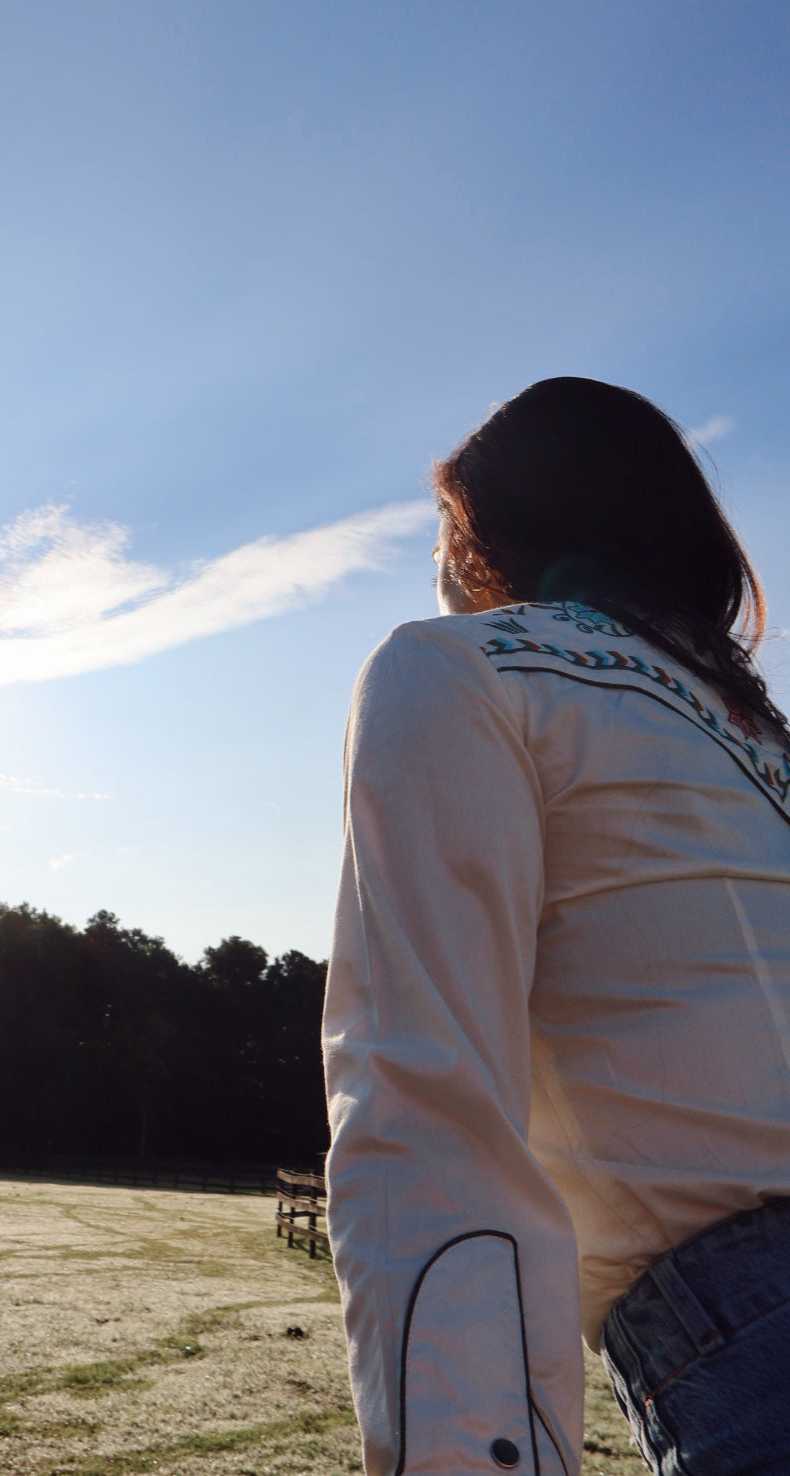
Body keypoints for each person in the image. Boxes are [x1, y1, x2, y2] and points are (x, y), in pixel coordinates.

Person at [323, 377, 790, 1476]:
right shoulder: (765, 744)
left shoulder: (456, 672)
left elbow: (424, 1104)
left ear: (493, 536)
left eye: (448, 526)